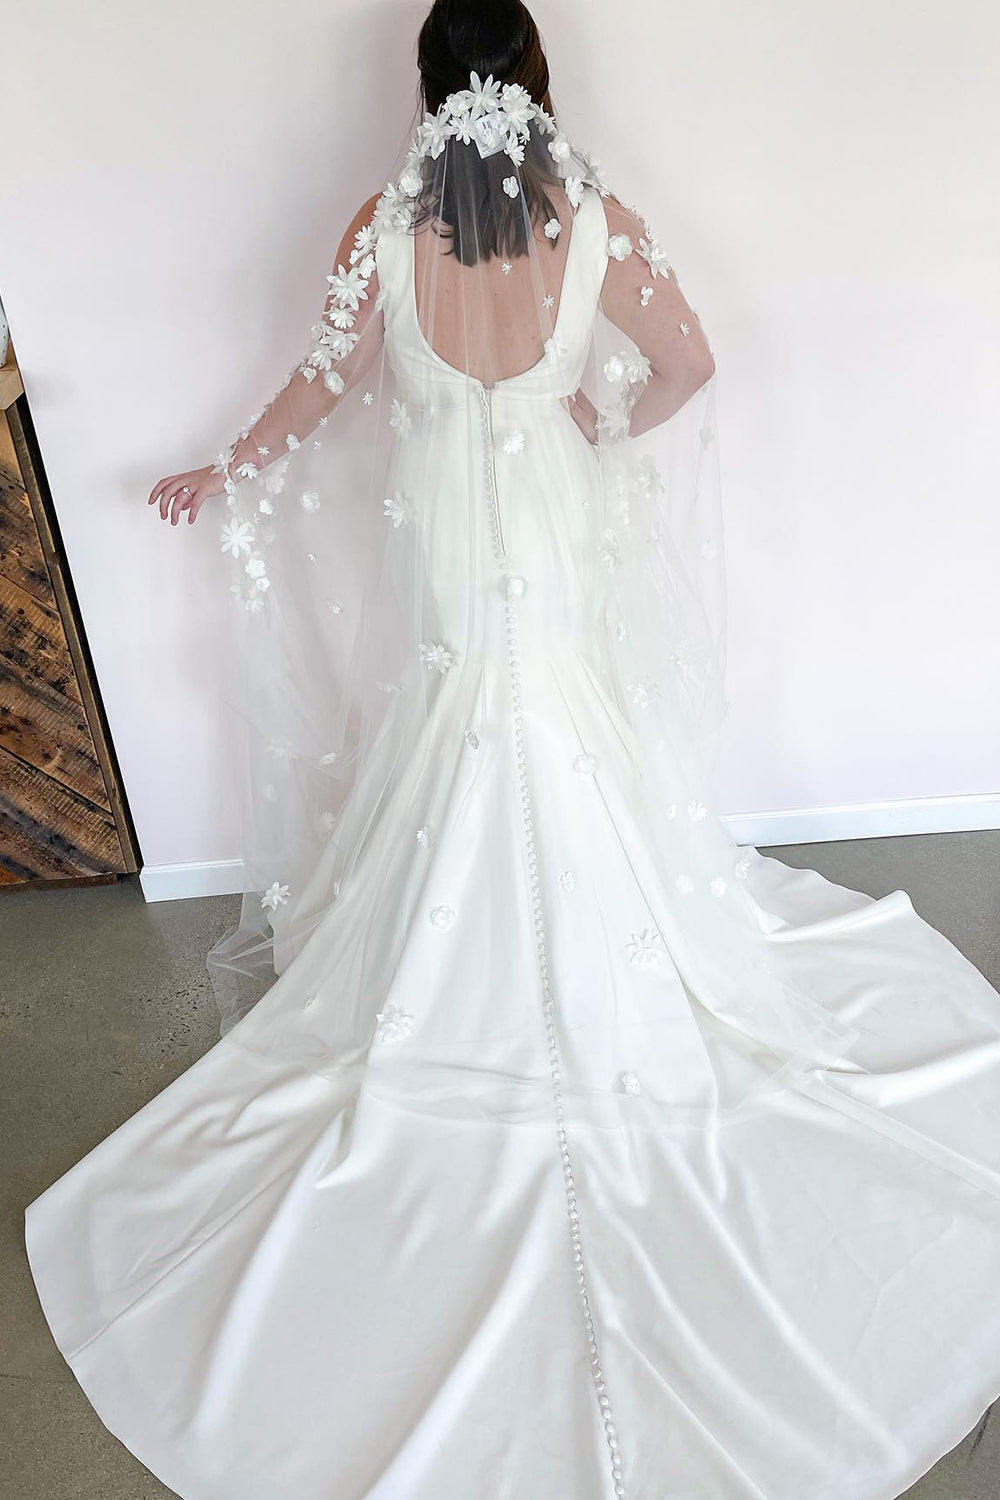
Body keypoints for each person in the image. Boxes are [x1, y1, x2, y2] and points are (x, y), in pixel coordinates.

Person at [25, 2, 1000, 1496]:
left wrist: (230, 463)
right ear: (536, 85)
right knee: (558, 727)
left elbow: (326, 380)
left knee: (461, 728)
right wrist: (594, 438)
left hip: (441, 544)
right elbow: (690, 363)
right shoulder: (593, 219)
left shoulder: (381, 224)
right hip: (549, 521)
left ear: (428, 89)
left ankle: (450, 990)